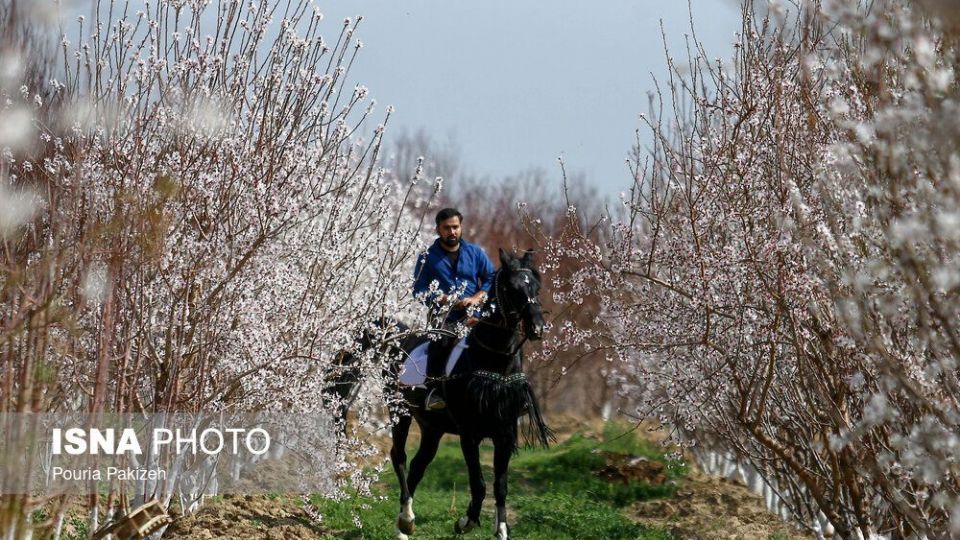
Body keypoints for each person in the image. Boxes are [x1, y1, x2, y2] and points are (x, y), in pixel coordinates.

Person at [413, 208, 495, 410]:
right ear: (438, 230)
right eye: (447, 228)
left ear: (461, 227)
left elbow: (491, 278)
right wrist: (446, 300)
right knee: (439, 344)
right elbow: (419, 290)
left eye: (455, 227)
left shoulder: (476, 253)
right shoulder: (427, 257)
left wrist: (476, 298)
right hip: (444, 319)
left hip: (475, 315)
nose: (452, 232)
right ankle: (435, 392)